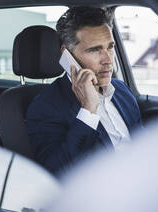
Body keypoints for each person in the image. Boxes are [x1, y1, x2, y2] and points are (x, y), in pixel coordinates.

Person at [26, 6, 142, 177]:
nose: (108, 60)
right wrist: (88, 110)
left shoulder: (122, 91)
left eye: (110, 47)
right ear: (68, 55)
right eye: (94, 50)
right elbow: (56, 173)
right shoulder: (46, 106)